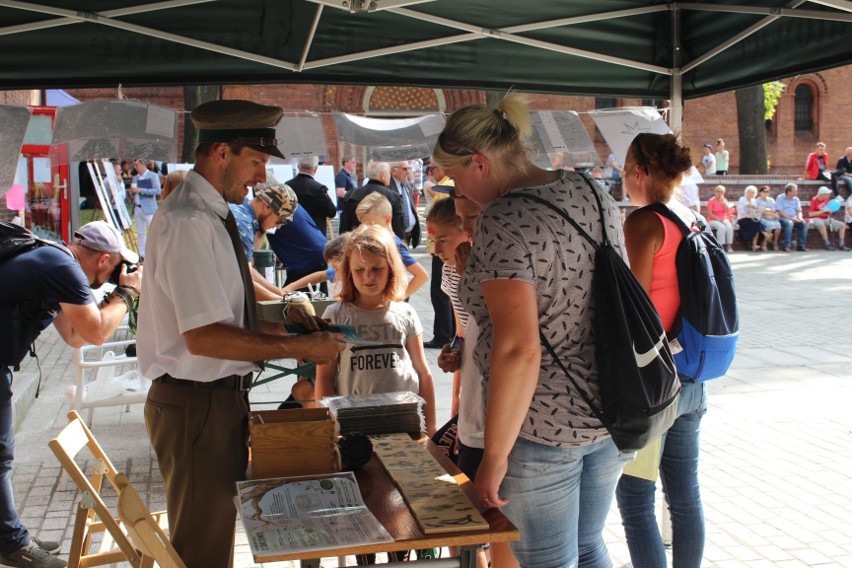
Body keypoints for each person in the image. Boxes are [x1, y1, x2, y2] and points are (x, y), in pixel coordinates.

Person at [136, 99, 344, 568]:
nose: (259, 177)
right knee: (201, 551)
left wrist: (285, 323)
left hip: (213, 399)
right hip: (197, 400)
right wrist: (297, 347)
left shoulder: (208, 213)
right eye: (256, 162)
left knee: (213, 540)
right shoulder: (190, 221)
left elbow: (224, 318)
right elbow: (205, 338)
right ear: (221, 153)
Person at [434, 93, 628, 567]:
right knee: (588, 546)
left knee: (547, 561)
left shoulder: (504, 218)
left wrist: (494, 458)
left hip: (542, 426)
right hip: (613, 408)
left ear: (479, 163)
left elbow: (519, 349)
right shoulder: (590, 190)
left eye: (455, 177)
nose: (455, 189)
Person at [0, 221, 142, 568]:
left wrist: (113, 298)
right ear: (104, 259)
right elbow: (95, 333)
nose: (114, 277)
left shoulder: (55, 263)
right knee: (0, 455)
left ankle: (9, 534)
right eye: (115, 270)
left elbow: (75, 337)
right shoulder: (62, 267)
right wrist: (128, 294)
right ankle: (12, 543)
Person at [613, 132, 709, 568]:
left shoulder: (643, 222)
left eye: (624, 167)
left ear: (639, 171)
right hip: (692, 372)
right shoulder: (688, 216)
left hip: (655, 383)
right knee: (684, 494)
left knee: (635, 496)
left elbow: (633, 306)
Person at [314, 224, 436, 432]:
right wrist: (331, 425)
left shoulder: (406, 313)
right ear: (348, 272)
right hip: (355, 423)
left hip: (404, 421)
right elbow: (324, 377)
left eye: (376, 269)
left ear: (391, 268)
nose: (368, 276)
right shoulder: (335, 315)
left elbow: (423, 373)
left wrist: (431, 426)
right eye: (359, 270)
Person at [228, 183, 298, 300]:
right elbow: (244, 280)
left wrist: (281, 294)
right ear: (267, 207)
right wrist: (286, 303)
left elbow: (248, 271)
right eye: (280, 220)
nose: (279, 227)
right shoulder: (243, 225)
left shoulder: (241, 208)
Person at [355, 193, 428, 300]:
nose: (366, 229)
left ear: (388, 219)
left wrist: (398, 298)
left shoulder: (394, 245)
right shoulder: (377, 241)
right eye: (363, 224)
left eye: (371, 224)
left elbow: (422, 275)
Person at [267, 199, 329, 291]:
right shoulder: (291, 203)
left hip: (306, 257)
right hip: (319, 249)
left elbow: (261, 234)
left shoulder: (272, 212)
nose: (279, 225)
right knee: (314, 297)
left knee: (292, 299)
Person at [338, 161, 405, 240]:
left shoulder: (351, 195)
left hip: (356, 245)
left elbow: (344, 229)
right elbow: (398, 229)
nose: (389, 177)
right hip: (384, 244)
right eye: (389, 174)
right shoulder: (393, 197)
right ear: (383, 175)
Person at [281, 234, 350, 298]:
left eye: (336, 267)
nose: (335, 271)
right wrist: (291, 287)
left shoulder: (356, 275)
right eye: (333, 267)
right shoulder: (338, 269)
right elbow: (320, 276)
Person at [286, 156, 337, 234]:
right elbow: (332, 212)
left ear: (298, 166)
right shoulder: (319, 189)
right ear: (315, 169)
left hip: (292, 233)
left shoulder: (287, 186)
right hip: (314, 235)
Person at [129, 158, 161, 261]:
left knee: (152, 231)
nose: (135, 167)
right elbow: (132, 193)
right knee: (140, 232)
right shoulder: (135, 178)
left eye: (137, 165)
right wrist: (132, 192)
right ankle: (142, 253)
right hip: (137, 207)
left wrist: (141, 190)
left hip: (149, 208)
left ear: (143, 165)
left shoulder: (153, 176)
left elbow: (157, 190)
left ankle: (154, 253)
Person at [389, 160, 422, 248]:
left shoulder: (406, 185)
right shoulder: (387, 187)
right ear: (394, 171)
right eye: (405, 169)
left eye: (409, 169)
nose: (408, 172)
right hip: (395, 236)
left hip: (408, 236)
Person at [808, 186, 848, 251]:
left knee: (842, 225)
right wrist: (822, 211)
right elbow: (811, 214)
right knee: (821, 224)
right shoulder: (814, 199)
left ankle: (842, 244)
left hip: (827, 218)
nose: (829, 195)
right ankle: (827, 244)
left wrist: (830, 211)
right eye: (827, 194)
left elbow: (830, 211)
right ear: (823, 194)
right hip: (816, 219)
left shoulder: (827, 200)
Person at [776, 183, 810, 252]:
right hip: (783, 219)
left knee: (803, 223)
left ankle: (801, 245)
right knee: (789, 223)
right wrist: (790, 219)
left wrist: (799, 218)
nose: (796, 192)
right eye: (794, 191)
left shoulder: (796, 199)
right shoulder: (780, 198)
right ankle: (787, 246)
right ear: (788, 192)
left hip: (794, 218)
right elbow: (780, 212)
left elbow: (798, 211)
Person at [737, 185, 771, 252]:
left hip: (752, 218)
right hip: (743, 219)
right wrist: (746, 207)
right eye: (749, 192)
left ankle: (754, 245)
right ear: (746, 192)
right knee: (757, 224)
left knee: (757, 224)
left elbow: (757, 213)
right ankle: (764, 233)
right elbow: (740, 211)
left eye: (753, 192)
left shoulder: (754, 201)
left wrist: (754, 208)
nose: (751, 193)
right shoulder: (742, 199)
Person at [705, 185, 735, 253]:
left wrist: (724, 203)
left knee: (729, 227)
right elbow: (709, 213)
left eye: (721, 192)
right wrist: (718, 219)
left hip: (723, 219)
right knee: (721, 227)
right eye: (718, 191)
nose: (719, 193)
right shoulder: (711, 201)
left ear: (723, 193)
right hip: (713, 220)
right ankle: (721, 246)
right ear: (715, 192)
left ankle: (729, 246)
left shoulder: (724, 200)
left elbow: (728, 211)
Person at [755, 185, 782, 250]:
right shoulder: (757, 201)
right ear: (760, 192)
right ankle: (764, 243)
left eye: (768, 192)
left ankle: (775, 243)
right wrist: (771, 212)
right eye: (764, 191)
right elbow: (761, 211)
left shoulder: (771, 200)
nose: (766, 193)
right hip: (762, 217)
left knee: (778, 226)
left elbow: (774, 209)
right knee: (769, 226)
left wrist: (767, 211)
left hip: (771, 217)